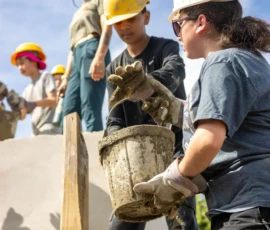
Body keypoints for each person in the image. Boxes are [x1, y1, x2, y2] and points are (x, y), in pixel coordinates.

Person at [108, 0, 270, 229]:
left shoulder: (221, 62)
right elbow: (232, 121)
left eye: (178, 25)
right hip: (253, 204)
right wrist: (170, 105)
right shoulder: (245, 59)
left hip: (247, 207)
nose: (177, 35)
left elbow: (207, 140)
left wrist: (172, 181)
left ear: (201, 22)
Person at [104, 0, 199, 229]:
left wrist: (149, 83)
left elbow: (176, 69)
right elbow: (116, 119)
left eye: (130, 19)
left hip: (175, 150)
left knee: (181, 220)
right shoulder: (114, 68)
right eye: (118, 23)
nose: (124, 27)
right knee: (122, 222)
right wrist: (114, 149)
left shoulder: (165, 48)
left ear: (146, 17)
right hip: (135, 158)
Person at [58, 0, 112, 132]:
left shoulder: (98, 2)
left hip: (92, 48)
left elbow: (107, 27)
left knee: (90, 104)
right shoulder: (77, 12)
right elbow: (72, 49)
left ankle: (95, 147)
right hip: (76, 54)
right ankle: (70, 149)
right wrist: (65, 77)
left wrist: (99, 57)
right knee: (68, 109)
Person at [10, 42, 59, 135]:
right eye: (17, 65)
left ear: (34, 60)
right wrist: (16, 108)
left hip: (48, 127)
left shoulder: (45, 77)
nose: (19, 68)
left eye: (21, 63)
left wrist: (34, 104)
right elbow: (23, 115)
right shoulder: (26, 90)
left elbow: (54, 100)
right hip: (36, 131)